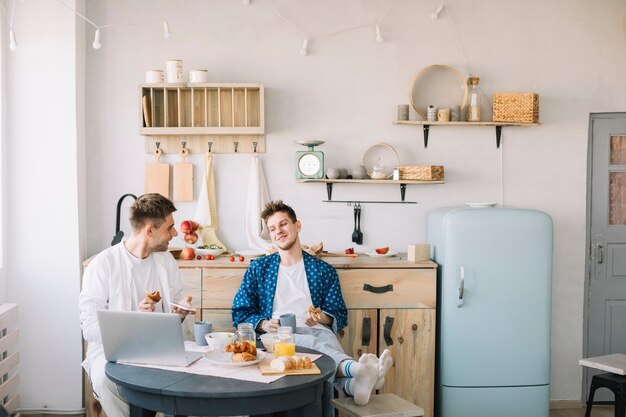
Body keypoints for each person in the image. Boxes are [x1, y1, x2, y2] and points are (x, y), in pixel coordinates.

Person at [232, 200, 393, 411]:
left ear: (297, 226)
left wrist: (321, 318)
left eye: (283, 224)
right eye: (272, 229)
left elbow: (338, 314)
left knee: (326, 339)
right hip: (278, 334)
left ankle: (352, 385)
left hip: (316, 329)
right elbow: (240, 312)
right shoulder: (258, 269)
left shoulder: (322, 270)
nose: (278, 231)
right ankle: (357, 370)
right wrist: (263, 323)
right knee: (310, 342)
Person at [79, 193, 195, 417]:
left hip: (162, 350)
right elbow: (89, 328)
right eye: (169, 228)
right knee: (105, 380)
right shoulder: (102, 265)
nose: (175, 233)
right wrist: (133, 319)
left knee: (187, 382)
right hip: (113, 353)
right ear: (149, 230)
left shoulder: (167, 261)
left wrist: (180, 312)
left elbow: (175, 306)